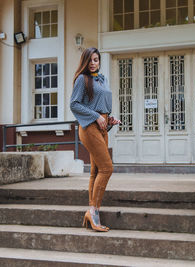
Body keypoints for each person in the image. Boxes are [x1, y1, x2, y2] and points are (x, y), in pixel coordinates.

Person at [70, 47, 120, 232]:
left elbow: (101, 104)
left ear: (100, 61)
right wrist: (96, 116)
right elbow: (74, 104)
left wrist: (109, 119)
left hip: (102, 127)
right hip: (89, 127)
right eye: (90, 60)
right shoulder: (82, 80)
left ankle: (90, 211)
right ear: (85, 61)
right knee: (107, 168)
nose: (93, 63)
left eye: (96, 60)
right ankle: (94, 211)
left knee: (96, 170)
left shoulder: (102, 79)